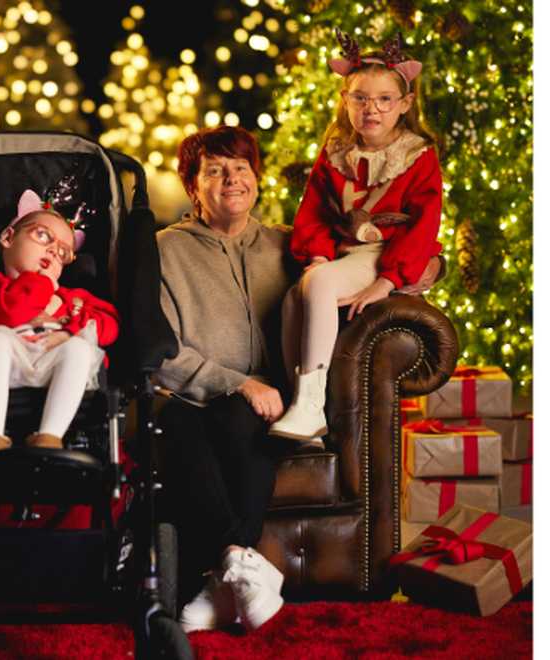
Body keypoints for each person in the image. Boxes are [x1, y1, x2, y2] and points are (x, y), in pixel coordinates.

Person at [269, 31, 442, 443]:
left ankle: (310, 408)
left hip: (384, 253)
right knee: (297, 297)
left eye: (384, 99)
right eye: (360, 98)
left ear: (404, 105)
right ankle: (306, 406)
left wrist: (387, 280)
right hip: (345, 251)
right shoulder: (335, 151)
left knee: (323, 283)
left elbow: (423, 226)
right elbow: (312, 209)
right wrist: (316, 255)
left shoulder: (417, 156)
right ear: (346, 100)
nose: (372, 109)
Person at [156, 126, 289, 632]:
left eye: (241, 168)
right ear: (193, 188)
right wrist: (235, 381)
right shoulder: (165, 251)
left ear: (256, 178)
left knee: (240, 419)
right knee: (181, 426)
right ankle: (240, 564)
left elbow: (375, 255)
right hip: (190, 393)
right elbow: (162, 350)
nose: (232, 178)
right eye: (214, 170)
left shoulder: (288, 246)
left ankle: (220, 576)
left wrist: (428, 263)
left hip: (271, 399)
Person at [0, 189, 119, 468]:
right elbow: (11, 313)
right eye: (42, 236)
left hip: (58, 367)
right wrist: (41, 283)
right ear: (8, 238)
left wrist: (71, 331)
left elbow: (110, 326)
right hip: (9, 369)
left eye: (63, 253)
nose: (52, 252)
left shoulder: (74, 298)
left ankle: (49, 437)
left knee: (80, 347)